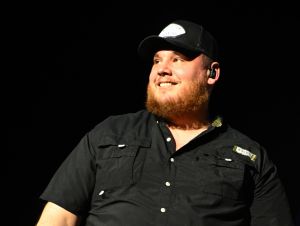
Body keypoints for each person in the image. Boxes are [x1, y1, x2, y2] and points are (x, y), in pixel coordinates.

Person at [36, 19, 295, 226]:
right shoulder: (109, 134)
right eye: (157, 60)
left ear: (212, 73)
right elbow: (59, 217)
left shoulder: (249, 157)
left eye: (177, 59)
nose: (162, 69)